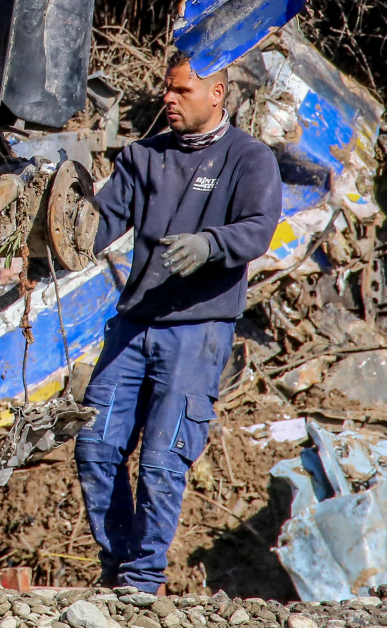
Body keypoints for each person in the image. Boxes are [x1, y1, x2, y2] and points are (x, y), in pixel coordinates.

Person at [74, 53, 283, 593]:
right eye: (167, 89)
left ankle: (142, 582)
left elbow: (259, 229)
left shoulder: (249, 159)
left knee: (162, 461)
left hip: (197, 330)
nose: (168, 98)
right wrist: (50, 232)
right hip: (134, 325)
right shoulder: (145, 157)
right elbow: (97, 226)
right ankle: (119, 565)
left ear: (217, 94)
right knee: (95, 445)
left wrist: (210, 244)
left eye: (181, 91)